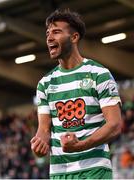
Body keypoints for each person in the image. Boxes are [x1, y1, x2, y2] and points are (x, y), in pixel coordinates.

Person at [30, 9, 122, 179]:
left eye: (56, 32)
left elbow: (115, 125)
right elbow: (44, 129)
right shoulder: (45, 83)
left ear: (74, 37)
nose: (49, 38)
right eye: (48, 33)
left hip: (94, 171)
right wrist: (40, 142)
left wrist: (80, 146)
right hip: (59, 173)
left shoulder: (98, 74)